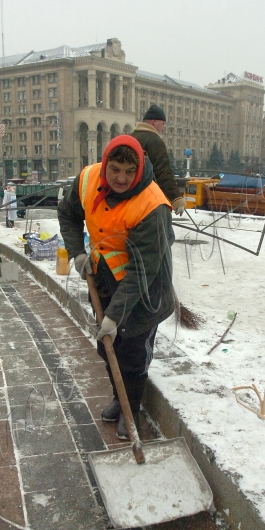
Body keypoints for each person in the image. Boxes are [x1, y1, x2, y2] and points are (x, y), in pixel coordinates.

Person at [58, 135, 174, 440]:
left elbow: (141, 271)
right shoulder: (87, 179)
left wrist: (115, 317)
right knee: (107, 345)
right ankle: (118, 397)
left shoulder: (152, 204)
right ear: (105, 162)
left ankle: (130, 408)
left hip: (145, 289)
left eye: (128, 171)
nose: (121, 178)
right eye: (115, 169)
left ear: (138, 169)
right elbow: (68, 214)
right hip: (106, 278)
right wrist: (78, 253)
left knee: (133, 352)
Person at [131, 104, 186, 218]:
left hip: (130, 199)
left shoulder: (131, 137)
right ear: (154, 122)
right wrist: (176, 199)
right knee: (165, 234)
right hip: (150, 201)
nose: (163, 128)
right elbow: (163, 172)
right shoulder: (154, 141)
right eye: (163, 124)